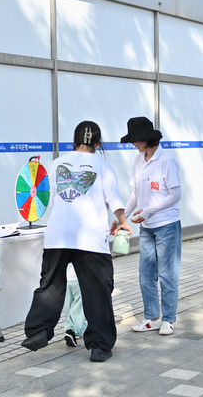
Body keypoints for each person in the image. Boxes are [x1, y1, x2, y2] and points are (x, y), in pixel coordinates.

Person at [21, 121, 132, 362]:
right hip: (90, 239)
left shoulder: (57, 163)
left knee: (50, 284)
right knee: (97, 291)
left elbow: (49, 198)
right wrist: (122, 222)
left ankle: (39, 330)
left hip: (58, 235)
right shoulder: (103, 166)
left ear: (74, 141)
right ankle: (99, 345)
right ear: (98, 144)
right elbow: (115, 202)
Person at [116, 116, 182, 336]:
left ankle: (169, 319)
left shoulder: (166, 161)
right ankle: (152, 318)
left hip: (167, 225)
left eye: (136, 140)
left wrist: (149, 211)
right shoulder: (138, 160)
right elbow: (136, 192)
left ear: (147, 139)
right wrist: (122, 217)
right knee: (145, 274)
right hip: (146, 226)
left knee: (167, 274)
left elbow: (175, 194)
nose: (134, 144)